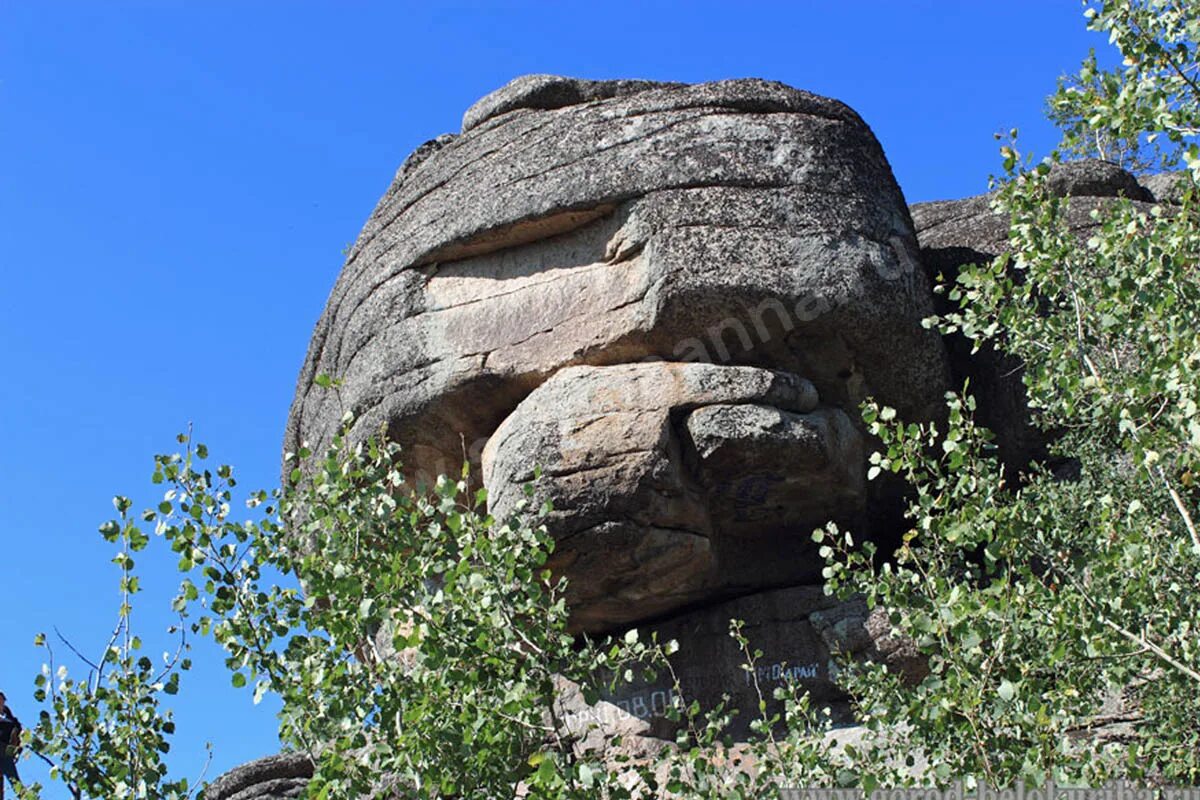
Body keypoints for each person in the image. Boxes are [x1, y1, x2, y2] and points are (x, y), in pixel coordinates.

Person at [0, 692, 21, 800]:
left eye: (2, 701)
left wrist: (17, 750)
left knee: (15, 782)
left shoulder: (9, 717)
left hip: (5, 751)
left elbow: (18, 731)